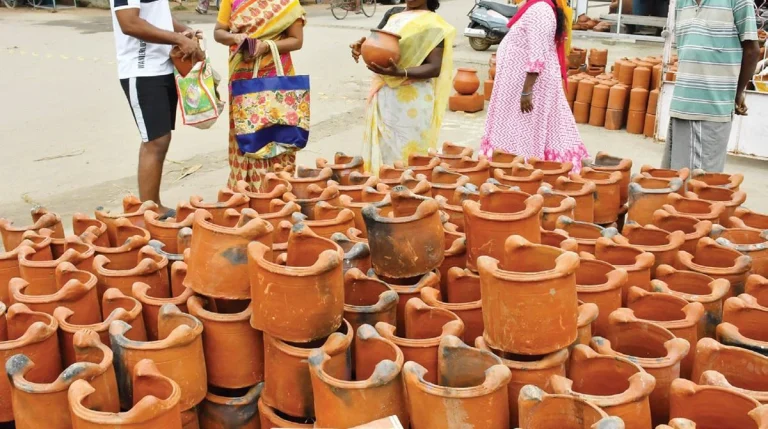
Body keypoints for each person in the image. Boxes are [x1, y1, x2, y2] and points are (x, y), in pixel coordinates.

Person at [112, 0, 203, 216]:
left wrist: (184, 31)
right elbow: (130, 23)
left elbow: (158, 16)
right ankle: (150, 210)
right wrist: (178, 38)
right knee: (154, 141)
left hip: (161, 66)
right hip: (141, 69)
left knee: (162, 139)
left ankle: (152, 205)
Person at [480, 0, 589, 171]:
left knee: (524, 131)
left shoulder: (541, 10)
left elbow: (537, 55)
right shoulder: (536, 7)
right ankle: (519, 168)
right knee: (522, 129)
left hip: (531, 87)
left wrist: (526, 91)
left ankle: (523, 171)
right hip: (520, 85)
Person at [351, 0, 455, 174]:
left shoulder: (434, 24)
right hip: (385, 95)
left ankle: (409, 194)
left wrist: (400, 72)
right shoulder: (393, 14)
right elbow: (379, 43)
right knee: (384, 150)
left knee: (409, 153)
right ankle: (384, 192)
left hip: (412, 101)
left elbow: (434, 67)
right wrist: (361, 48)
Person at [213, 0, 306, 189]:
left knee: (279, 130)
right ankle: (245, 187)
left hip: (277, 77)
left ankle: (278, 187)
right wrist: (236, 38)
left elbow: (297, 40)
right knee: (245, 130)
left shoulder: (287, 2)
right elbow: (218, 32)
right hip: (242, 75)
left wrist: (266, 46)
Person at [662, 0, 760, 173]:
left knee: (701, 188)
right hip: (680, 106)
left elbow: (752, 50)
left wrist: (737, 93)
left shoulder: (738, 2)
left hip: (712, 110)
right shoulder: (681, 3)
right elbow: (688, 49)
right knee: (676, 181)